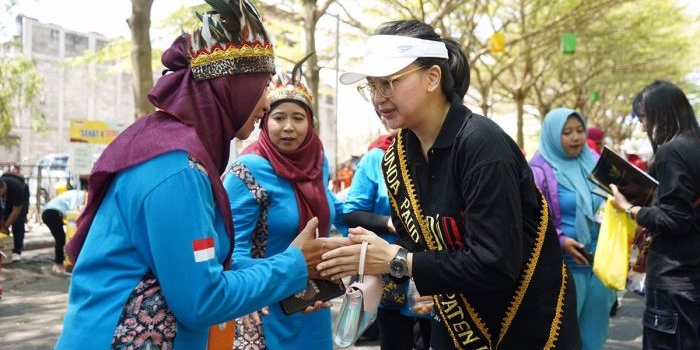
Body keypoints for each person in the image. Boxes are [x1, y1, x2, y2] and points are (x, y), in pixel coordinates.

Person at [55, 1, 343, 348]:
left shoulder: (181, 154)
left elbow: (204, 275)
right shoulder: (176, 168)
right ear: (231, 87)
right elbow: (201, 299)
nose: (267, 105)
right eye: (261, 85)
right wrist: (293, 266)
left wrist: (291, 274)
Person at [318, 19, 581, 349]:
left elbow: (495, 262)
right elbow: (415, 241)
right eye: (372, 86)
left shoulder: (483, 145)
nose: (379, 97)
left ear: (432, 78)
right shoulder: (395, 156)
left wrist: (396, 261)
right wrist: (359, 255)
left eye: (388, 82)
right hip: (455, 322)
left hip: (523, 325)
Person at [222, 55, 348, 350]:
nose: (288, 127)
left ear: (311, 123)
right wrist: (285, 280)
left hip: (312, 305)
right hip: (264, 307)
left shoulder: (319, 164)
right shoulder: (248, 170)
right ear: (265, 122)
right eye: (279, 118)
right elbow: (229, 251)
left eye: (298, 118)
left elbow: (330, 218)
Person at [610, 80, 700, 350]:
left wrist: (629, 208)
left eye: (644, 117)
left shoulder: (672, 152)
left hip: (675, 279)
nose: (643, 125)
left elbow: (676, 218)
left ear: (662, 113)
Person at [529, 108, 615, 350]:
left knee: (594, 339)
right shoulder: (538, 170)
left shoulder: (595, 162)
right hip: (563, 269)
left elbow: (615, 199)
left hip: (600, 266)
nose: (576, 137)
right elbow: (532, 219)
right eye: (567, 132)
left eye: (579, 130)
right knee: (561, 340)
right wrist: (561, 240)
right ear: (552, 135)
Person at [343, 116, 432, 349]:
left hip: (435, 271)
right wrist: (389, 222)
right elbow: (351, 213)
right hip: (389, 273)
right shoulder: (376, 158)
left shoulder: (444, 154)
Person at [41, 188, 87, 274]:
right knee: (60, 238)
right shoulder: (79, 195)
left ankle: (60, 262)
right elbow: (74, 211)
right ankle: (58, 264)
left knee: (61, 237)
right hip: (51, 213)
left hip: (50, 212)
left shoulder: (76, 193)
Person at [0, 172, 30, 262]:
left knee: (18, 223)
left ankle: (17, 251)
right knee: (4, 218)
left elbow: (16, 210)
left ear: (3, 188)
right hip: (9, 193)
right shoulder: (2, 190)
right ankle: (5, 247)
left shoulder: (16, 188)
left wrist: (5, 226)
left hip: (22, 196)